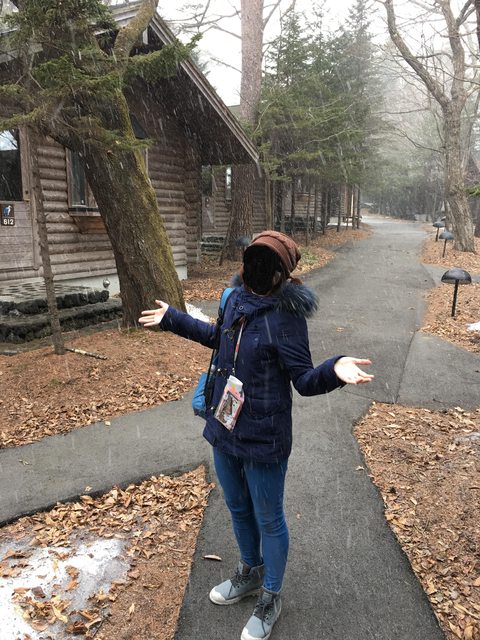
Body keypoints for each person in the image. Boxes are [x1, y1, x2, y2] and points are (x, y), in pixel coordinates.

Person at [139, 230, 373, 640]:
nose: (256, 269)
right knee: (237, 507)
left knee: (269, 517)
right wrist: (174, 318)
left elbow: (304, 380)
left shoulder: (286, 318)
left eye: (267, 263)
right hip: (224, 425)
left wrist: (333, 369)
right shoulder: (233, 299)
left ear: (283, 272)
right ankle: (250, 571)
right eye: (253, 259)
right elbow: (218, 338)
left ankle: (271, 596)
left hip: (265, 438)